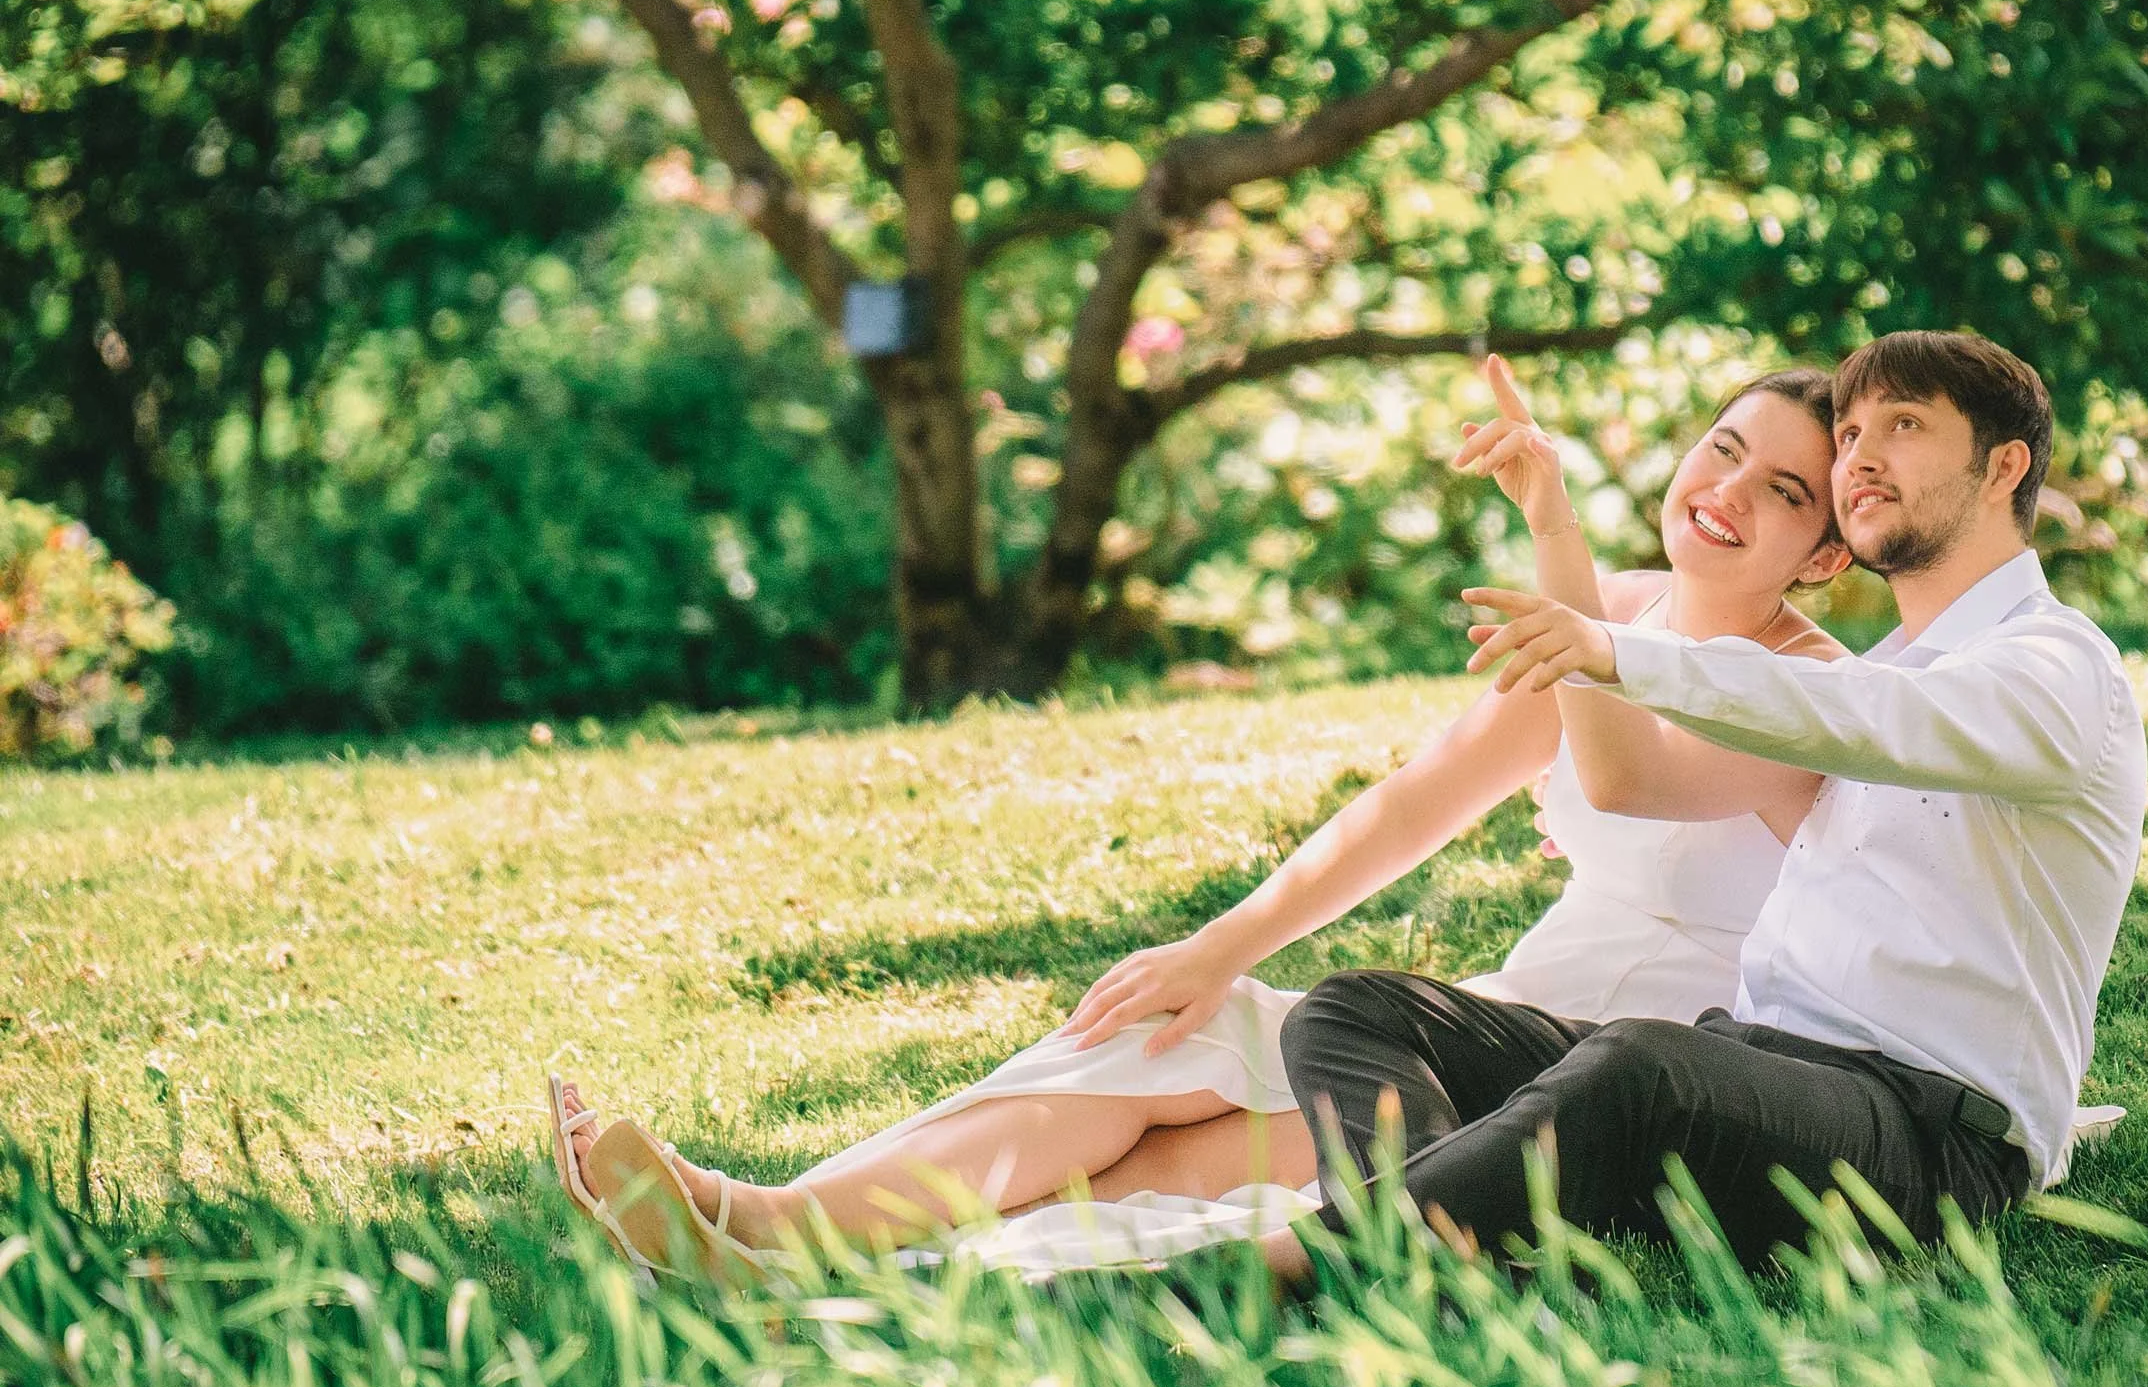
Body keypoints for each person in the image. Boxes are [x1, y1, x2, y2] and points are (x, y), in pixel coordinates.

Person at [547, 359, 1856, 1279]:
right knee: (1168, 1035)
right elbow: (1414, 803)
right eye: (1724, 448)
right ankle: (762, 1215)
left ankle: (785, 1254)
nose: (1729, 491)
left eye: (1787, 492)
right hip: (1497, 1009)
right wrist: (1216, 948)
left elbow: (1625, 774)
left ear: (1828, 554)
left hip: (1613, 1075)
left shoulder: (1818, 693)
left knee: (1178, 1168)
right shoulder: (1618, 610)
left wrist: (1551, 523)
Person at [1252, 329, 2148, 1282]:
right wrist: (1561, 541)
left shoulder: (2057, 667)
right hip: (1756, 1076)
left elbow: (1870, 717)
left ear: (2002, 464)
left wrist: (1621, 654)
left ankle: (1289, 1268)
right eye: (1849, 433)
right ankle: (1453, 1271)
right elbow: (1635, 777)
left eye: (1906, 423)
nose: (1862, 456)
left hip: (1930, 1137)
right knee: (1361, 1011)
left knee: (1641, 1067)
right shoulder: (1888, 672)